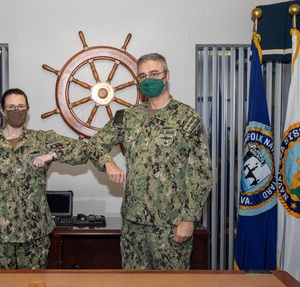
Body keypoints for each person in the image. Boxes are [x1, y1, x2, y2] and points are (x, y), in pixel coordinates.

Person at [87, 53, 212, 270]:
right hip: (134, 224)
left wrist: (189, 219)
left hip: (171, 225)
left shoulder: (187, 118)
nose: (148, 80)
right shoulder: (127, 117)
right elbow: (94, 145)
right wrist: (108, 162)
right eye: (142, 76)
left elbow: (201, 173)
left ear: (166, 76)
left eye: (154, 74)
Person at [0, 88, 87, 269]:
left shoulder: (42, 140)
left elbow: (83, 152)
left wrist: (52, 154)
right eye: (11, 107)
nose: (17, 111)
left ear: (28, 110)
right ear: (2, 111)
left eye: (21, 106)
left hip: (34, 236)